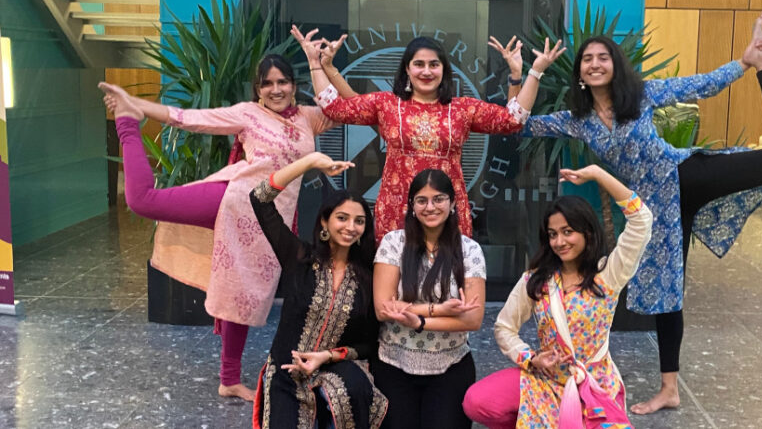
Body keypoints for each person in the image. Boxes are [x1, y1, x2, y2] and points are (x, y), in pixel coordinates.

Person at [520, 11, 762, 414]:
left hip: (686, 176)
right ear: (580, 74)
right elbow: (520, 124)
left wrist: (746, 61)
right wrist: (527, 75)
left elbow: (700, 84)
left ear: (615, 65)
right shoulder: (578, 121)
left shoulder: (641, 94)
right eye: (588, 59)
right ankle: (669, 390)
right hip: (654, 211)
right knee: (667, 295)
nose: (595, 63)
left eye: (603, 57)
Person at [99, 49, 357, 401]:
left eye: (282, 82)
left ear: (294, 86)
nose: (276, 90)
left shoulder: (309, 118)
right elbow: (188, 117)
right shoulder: (247, 114)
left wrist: (318, 64)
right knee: (142, 201)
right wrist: (136, 107)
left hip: (268, 221)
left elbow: (350, 108)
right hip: (233, 200)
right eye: (267, 84)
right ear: (258, 89)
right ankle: (126, 124)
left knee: (243, 292)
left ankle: (230, 380)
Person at [293, 27, 565, 239]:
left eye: (434, 64)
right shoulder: (387, 104)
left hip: (446, 211)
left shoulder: (461, 108)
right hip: (397, 210)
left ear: (444, 70)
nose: (426, 71)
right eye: (419, 64)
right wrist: (316, 64)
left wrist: (532, 73)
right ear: (407, 70)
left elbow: (512, 120)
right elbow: (334, 108)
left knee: (446, 286)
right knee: (396, 290)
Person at [462, 165, 652, 428]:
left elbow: (641, 220)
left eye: (567, 231)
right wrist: (530, 358)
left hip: (593, 385)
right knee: (477, 401)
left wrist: (598, 174)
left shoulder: (608, 274)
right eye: (553, 234)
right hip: (544, 380)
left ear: (587, 232)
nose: (560, 241)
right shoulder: (538, 279)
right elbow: (504, 327)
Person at [249, 151, 386, 428]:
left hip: (336, 370)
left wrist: (328, 356)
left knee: (351, 394)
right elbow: (259, 199)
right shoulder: (300, 258)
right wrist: (309, 162)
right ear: (325, 221)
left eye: (359, 221)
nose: (351, 227)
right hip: (288, 373)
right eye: (342, 218)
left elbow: (370, 344)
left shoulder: (369, 276)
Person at [370, 169, 486, 429]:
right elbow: (383, 308)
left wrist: (418, 322)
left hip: (450, 366)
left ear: (453, 203)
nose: (430, 207)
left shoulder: (470, 250)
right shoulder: (393, 243)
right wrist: (441, 309)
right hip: (394, 363)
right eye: (422, 200)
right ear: (412, 206)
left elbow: (472, 319)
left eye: (439, 199)